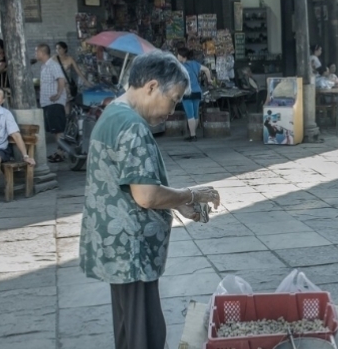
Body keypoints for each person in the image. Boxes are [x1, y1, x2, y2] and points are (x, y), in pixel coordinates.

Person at [79, 51, 222, 349]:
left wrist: (175, 202)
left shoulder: (114, 113)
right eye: (173, 99)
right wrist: (191, 194)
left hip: (116, 245)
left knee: (130, 330)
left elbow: (134, 186)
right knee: (144, 334)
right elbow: (145, 195)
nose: (172, 110)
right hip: (131, 250)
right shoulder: (132, 125)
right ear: (152, 86)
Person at [0, 87, 36, 185]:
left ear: (2, 101)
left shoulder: (6, 114)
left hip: (0, 149)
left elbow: (16, 135)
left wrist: (25, 156)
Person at [36, 43, 68, 163]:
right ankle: (59, 151)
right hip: (47, 103)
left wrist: (59, 94)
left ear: (42, 52)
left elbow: (61, 79)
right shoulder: (44, 66)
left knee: (58, 129)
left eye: (36, 52)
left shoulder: (52, 65)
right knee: (54, 130)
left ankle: (62, 153)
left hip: (54, 102)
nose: (35, 54)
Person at [176, 47, 211, 142]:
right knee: (195, 114)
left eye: (178, 55)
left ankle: (193, 135)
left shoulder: (180, 67)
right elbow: (207, 70)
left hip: (187, 92)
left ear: (183, 56)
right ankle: (194, 133)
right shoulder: (195, 64)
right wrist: (209, 80)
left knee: (190, 115)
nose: (177, 56)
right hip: (197, 92)